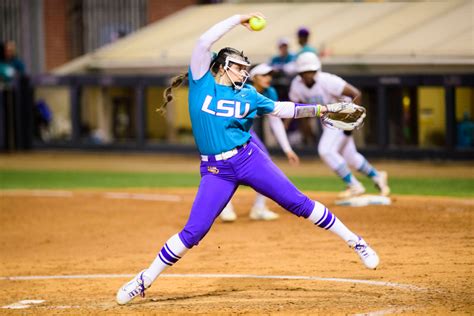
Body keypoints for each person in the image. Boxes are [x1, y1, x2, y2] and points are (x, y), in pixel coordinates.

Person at [116, 14, 379, 305]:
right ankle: (144, 279)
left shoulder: (250, 95)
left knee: (298, 203)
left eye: (245, 68)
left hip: (248, 158)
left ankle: (357, 242)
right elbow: (204, 41)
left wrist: (322, 110)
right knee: (194, 231)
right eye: (239, 67)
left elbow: (283, 110)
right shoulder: (202, 82)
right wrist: (237, 19)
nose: (245, 72)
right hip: (216, 169)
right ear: (222, 67)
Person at [289, 52, 390, 198]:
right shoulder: (296, 86)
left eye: (311, 71)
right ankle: (377, 176)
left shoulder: (327, 80)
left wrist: (350, 122)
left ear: (317, 69)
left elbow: (356, 93)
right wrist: (307, 130)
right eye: (305, 71)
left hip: (342, 118)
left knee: (325, 150)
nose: (309, 74)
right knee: (351, 156)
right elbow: (299, 108)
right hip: (328, 122)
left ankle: (354, 185)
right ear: (300, 72)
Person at [219, 63, 300, 222]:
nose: (268, 78)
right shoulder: (242, 89)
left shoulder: (270, 92)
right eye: (264, 75)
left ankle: (259, 207)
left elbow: (275, 121)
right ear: (254, 77)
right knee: (226, 166)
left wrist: (287, 149)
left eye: (269, 75)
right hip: (226, 132)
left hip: (245, 132)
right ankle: (226, 206)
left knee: (264, 162)